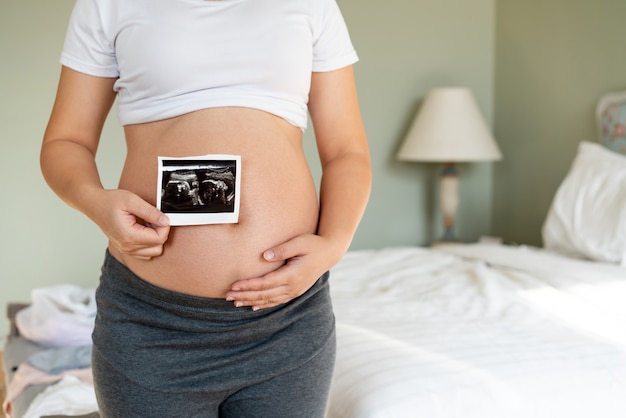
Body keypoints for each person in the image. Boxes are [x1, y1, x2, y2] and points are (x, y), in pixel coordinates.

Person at [40, 0, 371, 417]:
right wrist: (97, 202)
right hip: (153, 325)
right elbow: (65, 142)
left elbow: (347, 152)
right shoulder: (108, 4)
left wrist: (334, 245)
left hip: (286, 322)